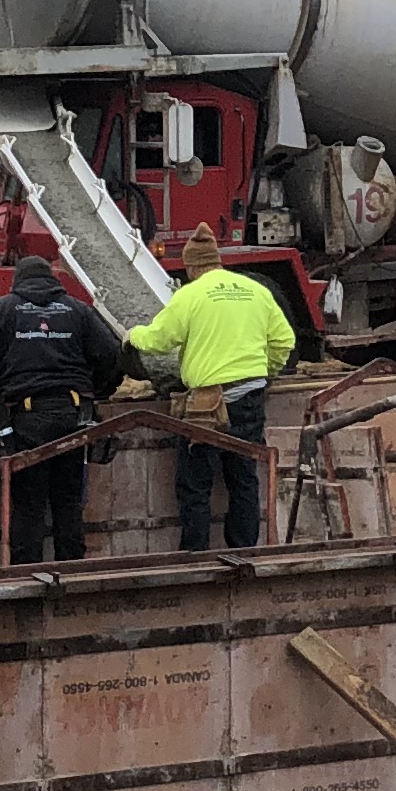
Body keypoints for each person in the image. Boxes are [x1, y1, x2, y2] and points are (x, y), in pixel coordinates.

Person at [0, 255, 131, 565]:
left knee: (29, 506)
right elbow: (114, 358)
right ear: (52, 279)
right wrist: (97, 391)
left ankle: (27, 577)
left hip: (25, 420)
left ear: (17, 281)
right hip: (74, 417)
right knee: (68, 503)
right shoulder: (77, 310)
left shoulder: (1, 311)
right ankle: (72, 576)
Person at [125, 227, 295, 552]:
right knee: (243, 477)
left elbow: (160, 339)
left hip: (206, 405)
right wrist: (267, 373)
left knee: (194, 484)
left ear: (191, 267)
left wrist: (134, 336)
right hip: (249, 396)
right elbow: (284, 341)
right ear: (217, 262)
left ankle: (196, 554)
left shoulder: (190, 294)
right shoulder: (255, 290)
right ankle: (244, 551)